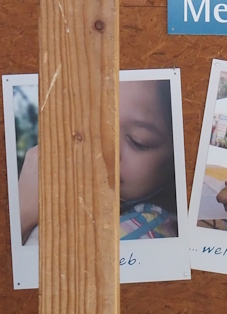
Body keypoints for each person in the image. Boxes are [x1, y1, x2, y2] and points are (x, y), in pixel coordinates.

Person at [19, 77, 181, 244]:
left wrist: (23, 212)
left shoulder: (136, 237)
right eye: (96, 124)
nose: (103, 152)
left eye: (137, 141)